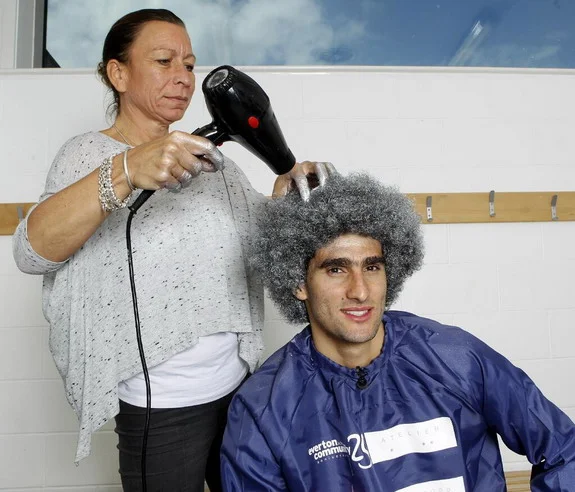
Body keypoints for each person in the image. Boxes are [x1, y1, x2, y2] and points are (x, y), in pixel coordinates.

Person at [12, 8, 333, 492]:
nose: (182, 77)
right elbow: (31, 251)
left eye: (189, 64)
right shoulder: (85, 153)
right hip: (160, 409)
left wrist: (288, 189)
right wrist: (126, 169)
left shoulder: (216, 164)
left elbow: (255, 230)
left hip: (240, 388)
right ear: (117, 73)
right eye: (164, 61)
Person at [221, 172, 575, 491]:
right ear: (298, 282)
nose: (360, 291)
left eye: (372, 267)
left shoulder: (455, 358)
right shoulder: (263, 408)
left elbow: (564, 449)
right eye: (336, 270)